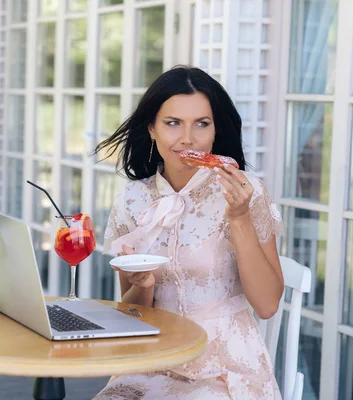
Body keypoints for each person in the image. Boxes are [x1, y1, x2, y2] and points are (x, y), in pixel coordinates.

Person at [93, 65, 284, 399]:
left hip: (225, 368)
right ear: (151, 128)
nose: (187, 138)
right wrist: (145, 285)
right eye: (172, 123)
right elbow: (132, 312)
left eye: (201, 124)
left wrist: (239, 217)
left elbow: (267, 305)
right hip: (151, 359)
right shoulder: (132, 199)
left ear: (214, 131)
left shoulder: (246, 191)